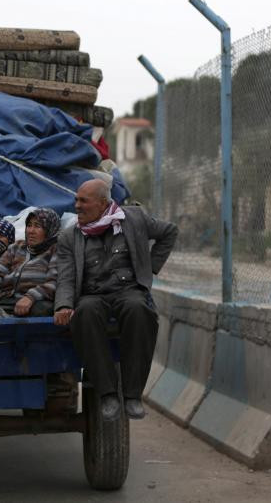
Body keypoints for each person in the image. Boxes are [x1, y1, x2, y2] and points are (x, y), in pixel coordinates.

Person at [54, 179, 177, 421]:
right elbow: (66, 277)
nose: (76, 205)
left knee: (139, 310)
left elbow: (169, 232)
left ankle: (132, 395)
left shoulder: (134, 219)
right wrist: (64, 305)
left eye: (83, 201)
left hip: (128, 290)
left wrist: (150, 267)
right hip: (92, 295)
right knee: (85, 314)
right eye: (76, 199)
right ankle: (107, 394)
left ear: (102, 204)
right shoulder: (69, 237)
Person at [0, 209, 59, 319]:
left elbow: (54, 282)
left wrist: (30, 297)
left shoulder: (56, 250)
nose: (31, 231)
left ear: (50, 230)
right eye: (29, 225)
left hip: (33, 303)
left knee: (42, 309)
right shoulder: (15, 247)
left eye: (37, 226)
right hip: (6, 301)